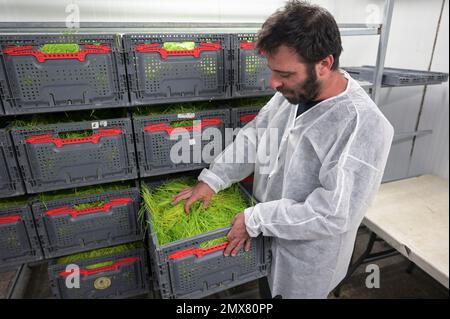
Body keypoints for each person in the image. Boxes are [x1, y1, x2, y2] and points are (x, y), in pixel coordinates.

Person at [172, 0, 394, 299]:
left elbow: (333, 213)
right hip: (265, 240)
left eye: (285, 74)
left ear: (324, 64)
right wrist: (213, 180)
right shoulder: (292, 94)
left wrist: (257, 219)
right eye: (273, 70)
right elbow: (255, 138)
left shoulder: (362, 126)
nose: (274, 82)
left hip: (305, 263)